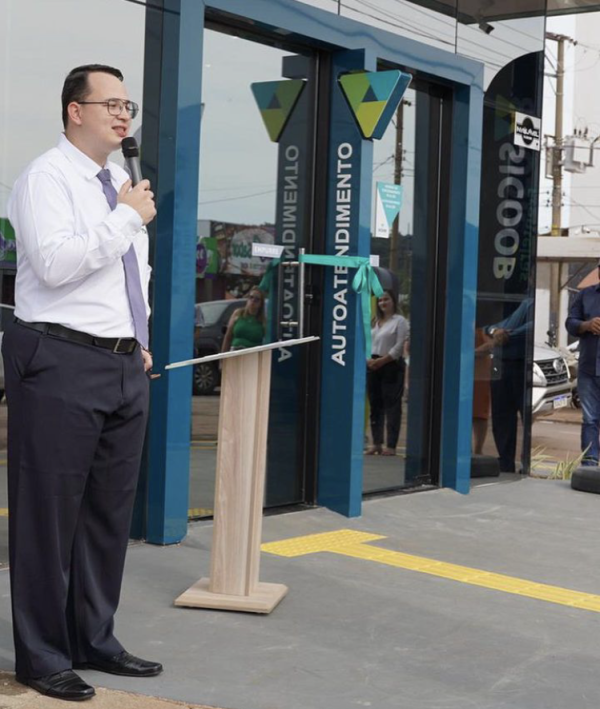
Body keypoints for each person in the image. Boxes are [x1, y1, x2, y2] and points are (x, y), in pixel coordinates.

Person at [2, 64, 162, 702]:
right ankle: (42, 657)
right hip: (60, 357)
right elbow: (55, 264)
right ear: (75, 110)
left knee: (106, 514)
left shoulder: (120, 181)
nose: (124, 115)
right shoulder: (45, 177)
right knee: (47, 516)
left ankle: (94, 637)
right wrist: (125, 218)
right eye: (111, 104)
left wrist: (139, 338)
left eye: (128, 107)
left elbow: (132, 275)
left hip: (122, 365)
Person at [485, 296, 534, 472]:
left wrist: (506, 334)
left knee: (526, 414)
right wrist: (495, 330)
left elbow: (533, 326)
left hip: (522, 363)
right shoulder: (502, 301)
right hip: (500, 363)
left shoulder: (529, 302)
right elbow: (488, 326)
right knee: (501, 416)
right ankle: (505, 462)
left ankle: (526, 462)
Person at [365, 290, 409, 456]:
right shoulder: (374, 322)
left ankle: (391, 445)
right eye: (380, 300)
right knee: (375, 405)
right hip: (372, 365)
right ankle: (376, 443)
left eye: (386, 299)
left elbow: (399, 345)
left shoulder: (400, 321)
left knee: (392, 405)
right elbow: (366, 343)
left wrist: (383, 360)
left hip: (391, 364)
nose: (383, 303)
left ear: (393, 301)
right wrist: (369, 360)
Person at [565, 259, 600, 465]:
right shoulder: (585, 295)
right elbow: (570, 323)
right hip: (588, 369)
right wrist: (587, 325)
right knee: (590, 418)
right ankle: (590, 464)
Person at [221, 287, 266, 352]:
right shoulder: (238, 313)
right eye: (251, 297)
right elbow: (228, 337)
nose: (253, 301)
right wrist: (223, 355)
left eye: (257, 299)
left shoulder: (262, 321)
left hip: (252, 352)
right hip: (235, 350)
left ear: (261, 304)